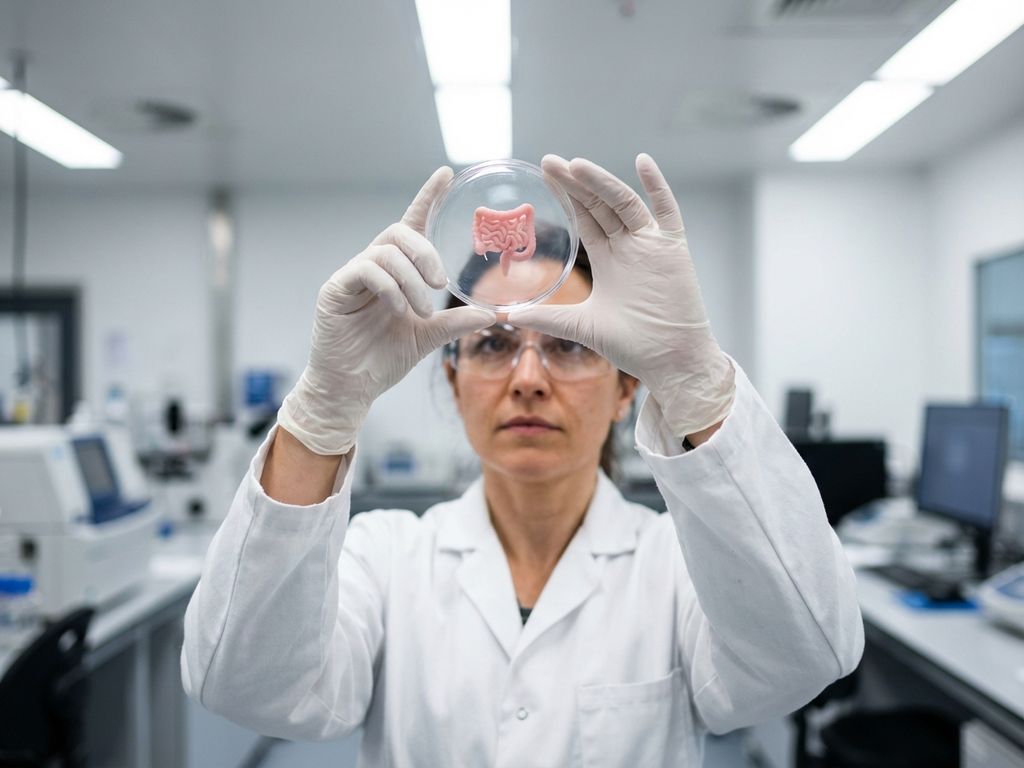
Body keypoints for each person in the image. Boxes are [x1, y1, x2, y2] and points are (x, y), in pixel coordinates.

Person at [181, 154, 864, 767]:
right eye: (493, 344)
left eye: (568, 346)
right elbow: (245, 686)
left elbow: (809, 654)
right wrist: (324, 408)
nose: (528, 378)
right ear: (452, 380)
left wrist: (693, 376)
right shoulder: (386, 557)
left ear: (627, 387)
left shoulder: (677, 565)